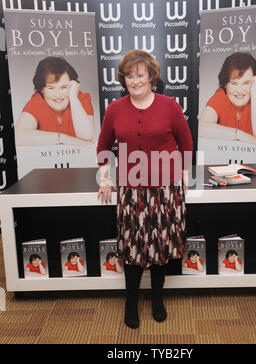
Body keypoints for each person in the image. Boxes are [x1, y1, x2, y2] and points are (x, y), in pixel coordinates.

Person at [96, 49, 193, 329]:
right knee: (132, 248)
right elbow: (103, 147)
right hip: (131, 190)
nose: (135, 80)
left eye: (140, 74)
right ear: (123, 80)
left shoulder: (170, 106)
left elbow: (186, 143)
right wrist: (105, 178)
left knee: (161, 246)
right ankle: (130, 301)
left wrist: (184, 174)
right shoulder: (114, 109)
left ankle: (157, 298)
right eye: (129, 75)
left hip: (166, 190)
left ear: (151, 76)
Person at [15, 56, 95, 146]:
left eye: (64, 87)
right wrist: (63, 139)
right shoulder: (38, 101)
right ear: (42, 89)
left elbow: (87, 136)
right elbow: (18, 136)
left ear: (73, 85)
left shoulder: (81, 99)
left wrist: (73, 96)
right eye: (51, 88)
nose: (57, 95)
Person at [198, 52, 256, 144]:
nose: (239, 91)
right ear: (225, 85)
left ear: (255, 82)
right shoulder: (221, 95)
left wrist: (254, 92)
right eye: (234, 83)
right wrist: (239, 135)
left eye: (246, 83)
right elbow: (200, 128)